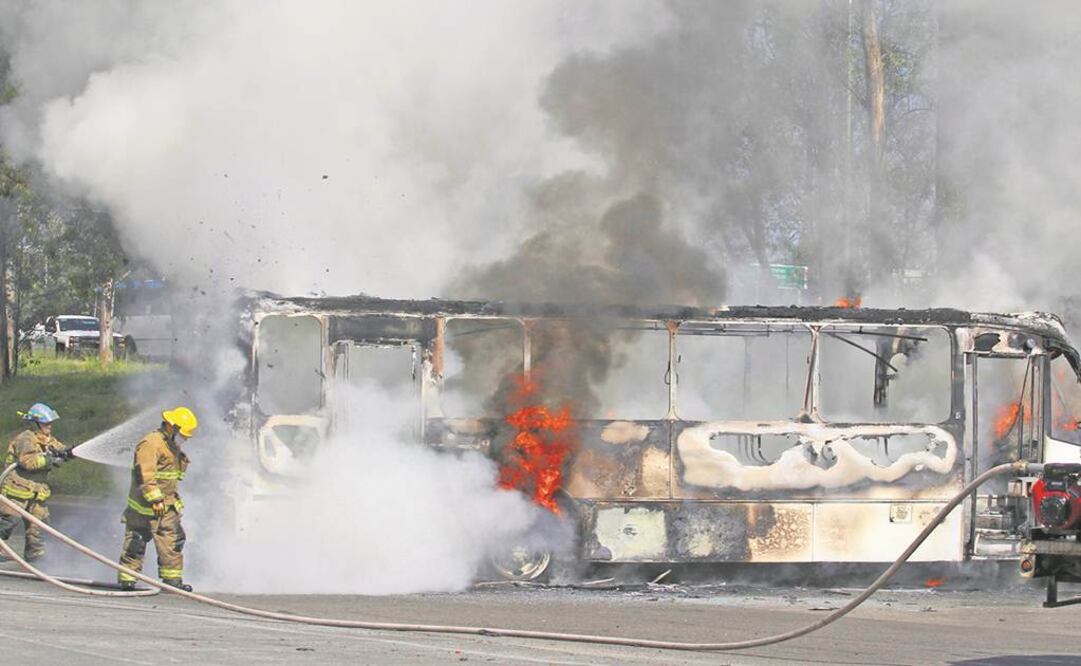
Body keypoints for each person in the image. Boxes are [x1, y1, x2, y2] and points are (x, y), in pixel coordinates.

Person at [117, 407, 198, 591]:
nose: (185, 439)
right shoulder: (151, 443)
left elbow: (171, 475)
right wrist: (155, 499)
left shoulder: (170, 444)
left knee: (173, 541)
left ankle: (172, 582)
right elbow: (145, 475)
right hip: (144, 506)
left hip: (167, 506)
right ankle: (127, 579)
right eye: (183, 435)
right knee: (136, 542)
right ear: (172, 427)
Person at [0, 403, 71, 561]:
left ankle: (35, 555)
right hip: (17, 490)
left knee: (39, 524)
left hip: (37, 492)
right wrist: (50, 459)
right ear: (35, 424)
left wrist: (68, 452)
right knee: (8, 521)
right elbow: (28, 462)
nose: (50, 426)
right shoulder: (25, 439)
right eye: (46, 424)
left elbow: (58, 449)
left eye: (50, 423)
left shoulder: (46, 439)